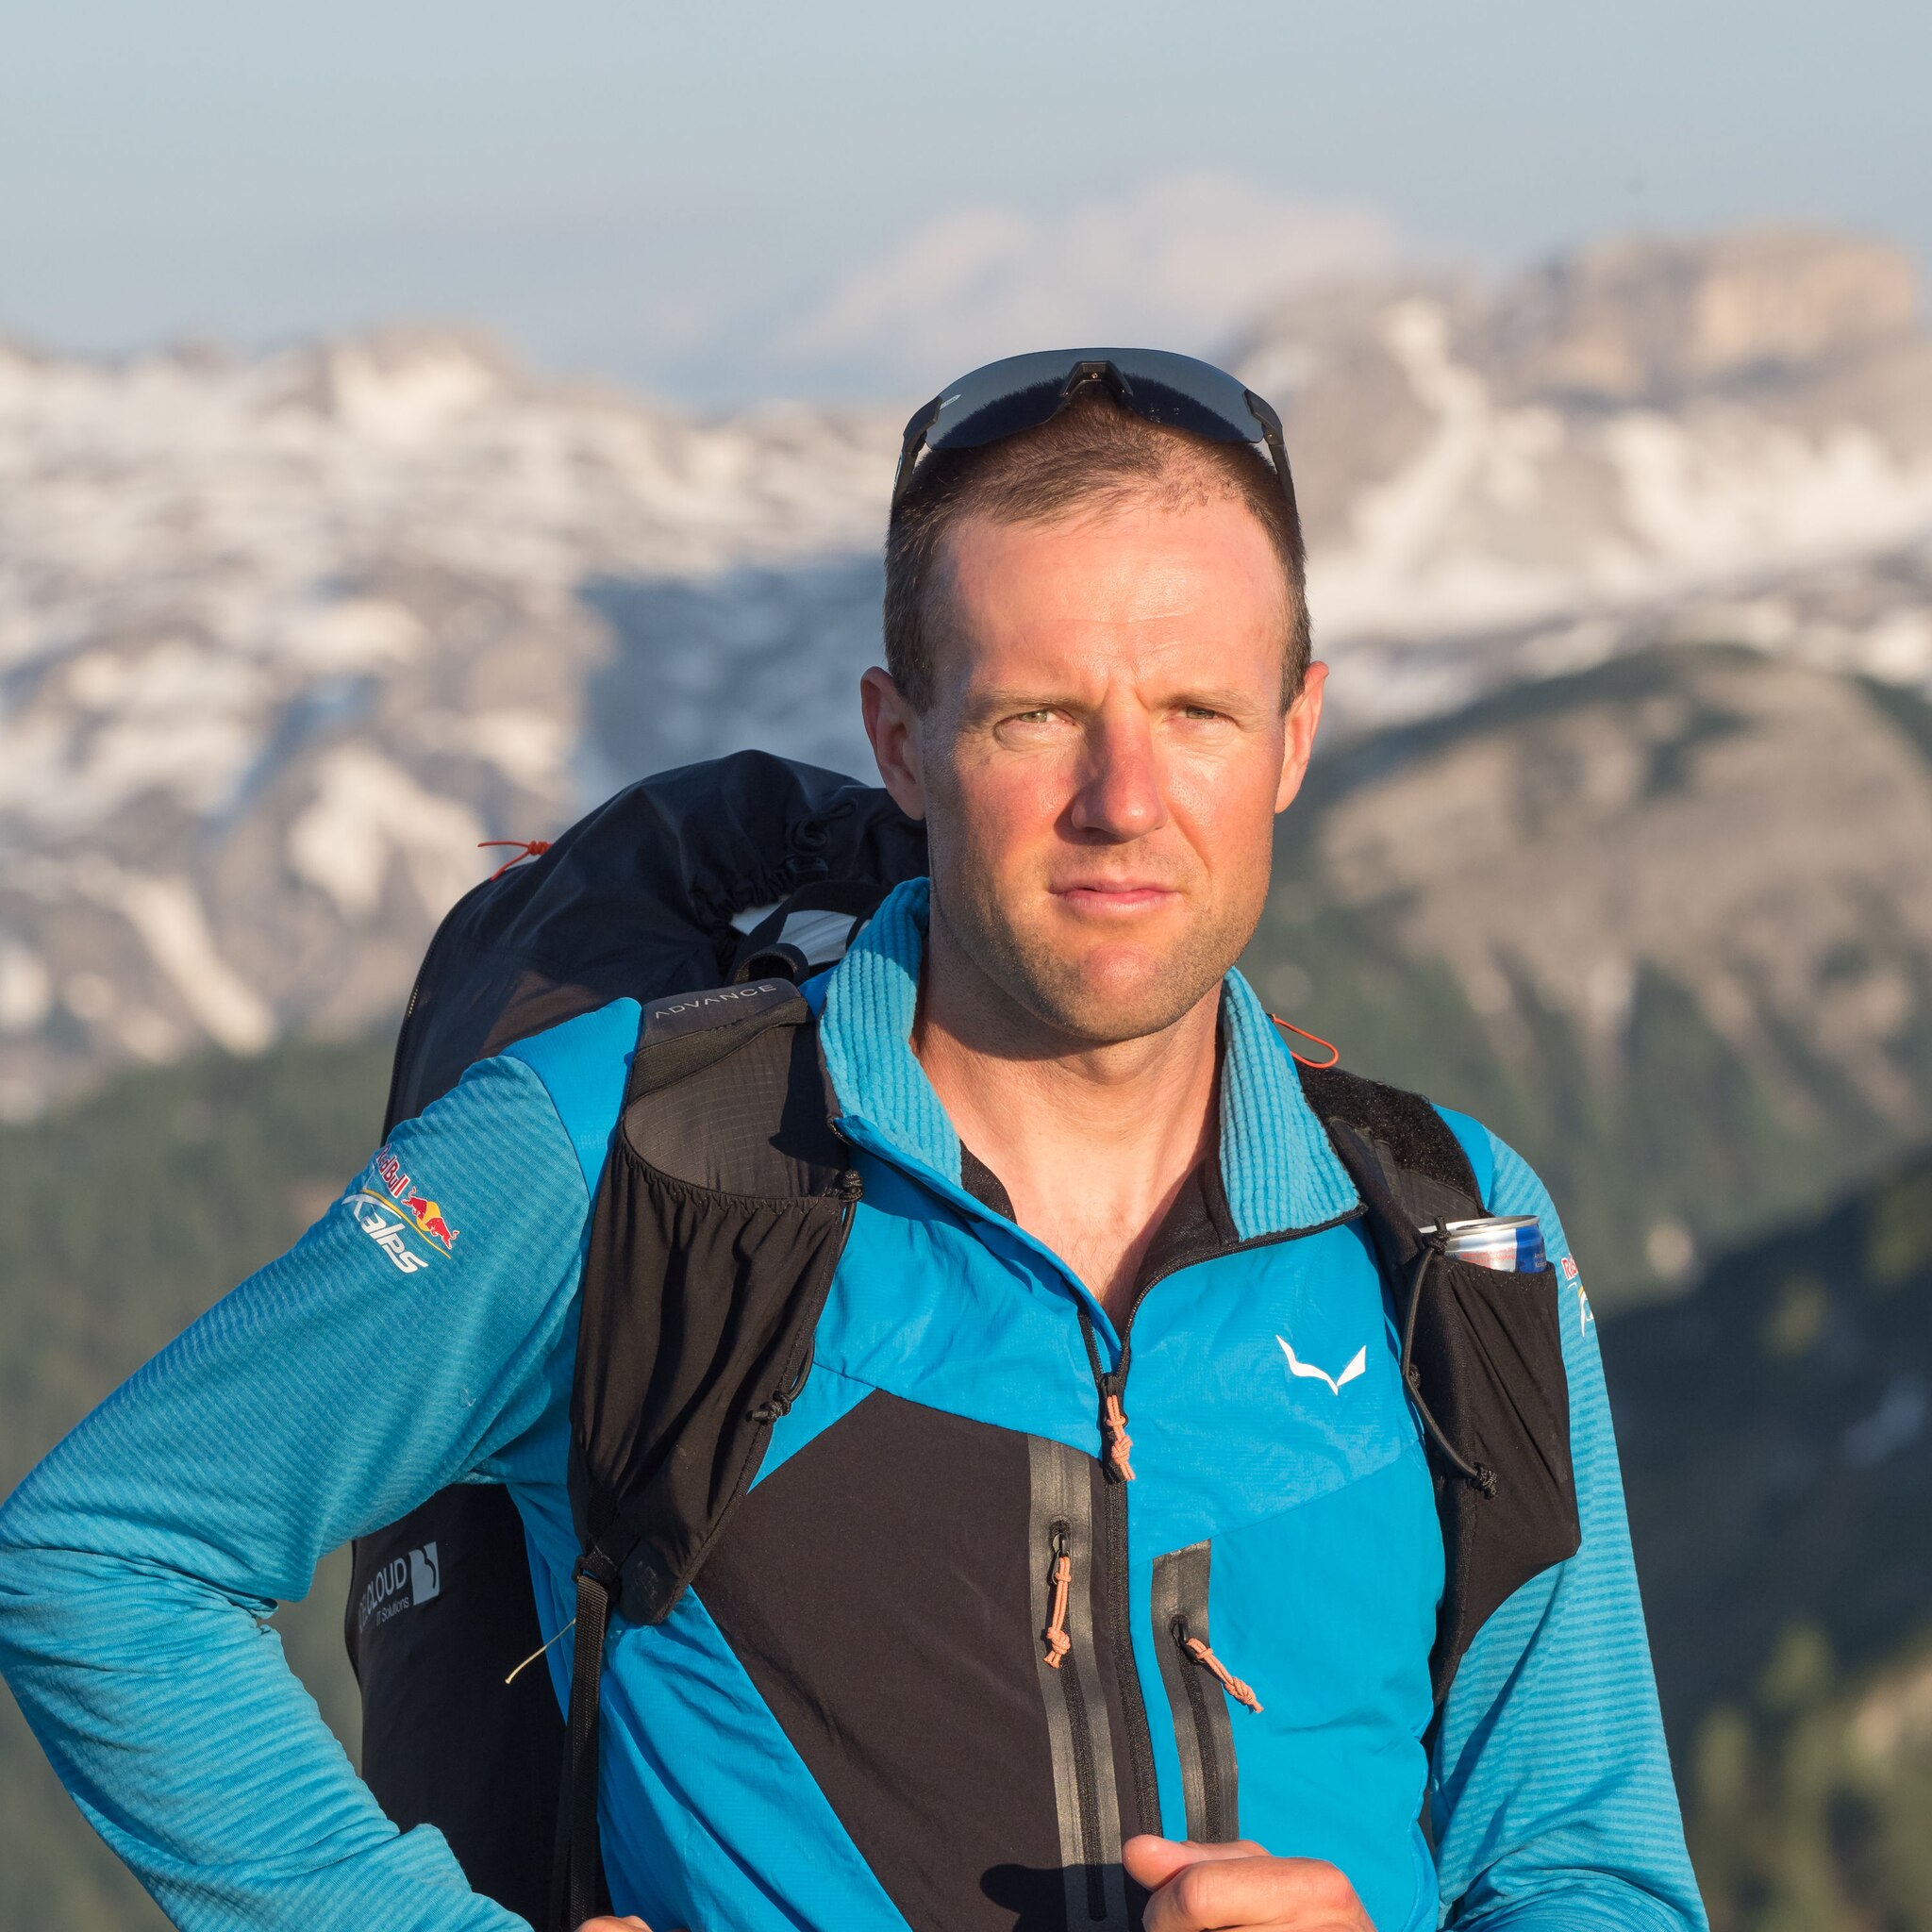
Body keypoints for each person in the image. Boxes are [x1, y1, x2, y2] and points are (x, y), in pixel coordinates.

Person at [0, 349, 1706, 1932]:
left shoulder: (1455, 1235)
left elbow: (1582, 1863)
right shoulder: (635, 1162)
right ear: (902, 740)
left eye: (1194, 712)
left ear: (1295, 737)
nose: (1123, 798)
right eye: (1037, 715)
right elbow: (104, 1554)